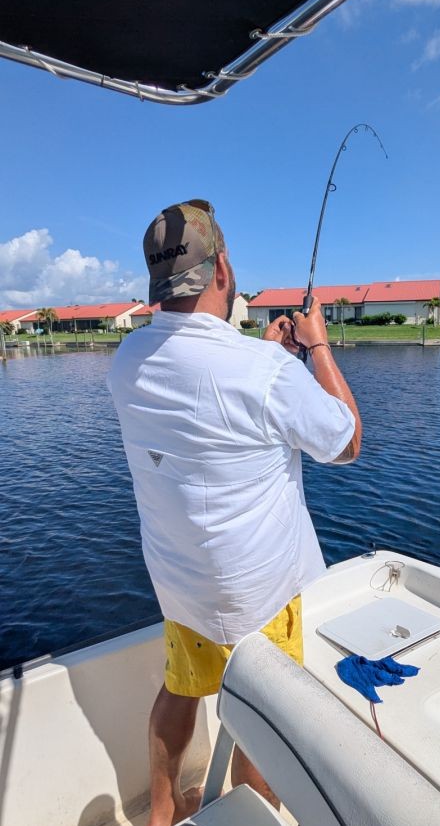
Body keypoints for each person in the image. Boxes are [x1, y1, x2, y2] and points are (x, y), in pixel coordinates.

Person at [107, 199, 361, 826]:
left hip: (179, 582)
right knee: (264, 721)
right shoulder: (265, 370)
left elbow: (201, 375)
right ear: (222, 269)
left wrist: (259, 350)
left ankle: (162, 815)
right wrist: (316, 346)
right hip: (257, 597)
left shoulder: (126, 362)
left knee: (181, 688)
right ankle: (246, 812)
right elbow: (346, 440)